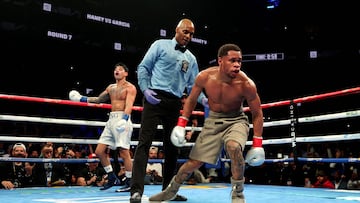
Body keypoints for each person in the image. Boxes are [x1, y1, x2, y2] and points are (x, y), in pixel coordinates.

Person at [149, 43, 265, 203]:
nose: (237, 65)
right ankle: (171, 191)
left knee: (233, 147)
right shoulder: (205, 77)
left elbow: (257, 113)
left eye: (239, 61)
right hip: (214, 121)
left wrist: (257, 143)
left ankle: (238, 192)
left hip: (236, 120)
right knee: (193, 163)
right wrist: (181, 124)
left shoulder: (246, 84)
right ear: (220, 61)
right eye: (232, 60)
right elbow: (191, 99)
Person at [129, 18, 208, 203]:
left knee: (172, 148)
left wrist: (205, 101)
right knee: (144, 144)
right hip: (154, 98)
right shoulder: (160, 45)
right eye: (185, 32)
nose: (188, 36)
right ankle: (136, 191)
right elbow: (143, 67)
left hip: (174, 103)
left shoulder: (191, 59)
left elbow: (193, 87)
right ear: (177, 30)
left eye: (191, 34)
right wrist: (145, 89)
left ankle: (168, 191)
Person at [69, 62, 137, 191]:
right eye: (115, 69)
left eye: (120, 69)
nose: (117, 71)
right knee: (99, 151)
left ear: (126, 73)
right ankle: (112, 177)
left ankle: (129, 181)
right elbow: (99, 99)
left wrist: (125, 119)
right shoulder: (111, 87)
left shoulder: (130, 87)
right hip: (111, 120)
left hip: (123, 118)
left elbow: (129, 105)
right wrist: (81, 98)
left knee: (124, 152)